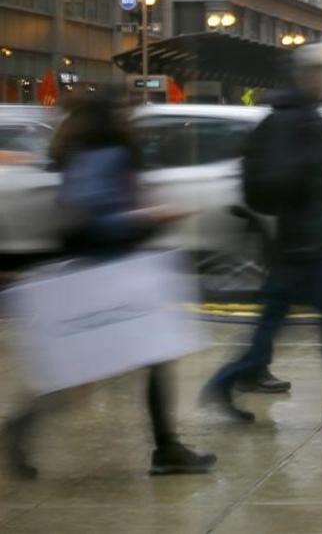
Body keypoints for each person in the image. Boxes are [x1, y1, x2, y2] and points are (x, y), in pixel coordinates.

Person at [4, 91, 215, 479]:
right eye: (126, 110)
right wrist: (148, 216)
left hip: (97, 271)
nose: (132, 117)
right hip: (112, 273)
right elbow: (94, 218)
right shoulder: (109, 153)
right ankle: (166, 449)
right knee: (137, 359)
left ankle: (25, 423)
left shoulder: (80, 151)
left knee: (91, 365)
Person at [200, 43, 322, 429]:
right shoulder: (293, 121)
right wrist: (307, 177)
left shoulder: (296, 116)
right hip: (306, 244)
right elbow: (286, 180)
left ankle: (225, 382)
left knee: (273, 327)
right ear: (304, 76)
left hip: (300, 242)